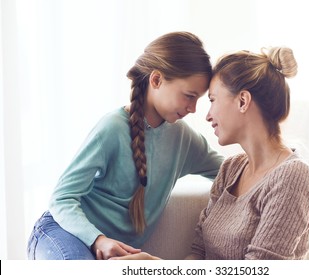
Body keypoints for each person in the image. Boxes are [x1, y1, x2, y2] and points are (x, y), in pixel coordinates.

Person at [27, 31, 224, 260]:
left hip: (110, 254)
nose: (193, 109)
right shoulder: (112, 128)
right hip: (62, 233)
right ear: (157, 80)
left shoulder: (183, 139)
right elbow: (61, 198)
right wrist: (99, 240)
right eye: (189, 96)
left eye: (198, 99)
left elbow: (231, 172)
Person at [111, 46, 309, 260]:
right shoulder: (231, 169)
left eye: (212, 100)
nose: (208, 116)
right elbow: (199, 255)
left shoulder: (292, 177)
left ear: (242, 101)